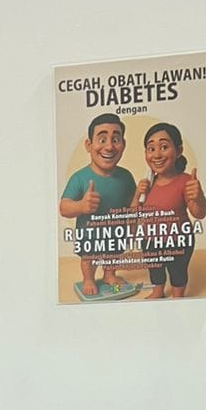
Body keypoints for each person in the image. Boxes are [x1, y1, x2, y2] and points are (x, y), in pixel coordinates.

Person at [59, 112, 136, 297]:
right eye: (102, 139)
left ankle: (110, 274)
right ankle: (88, 278)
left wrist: (134, 222)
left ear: (123, 144)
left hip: (116, 231)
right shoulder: (80, 178)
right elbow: (64, 207)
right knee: (89, 257)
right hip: (90, 233)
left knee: (114, 253)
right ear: (89, 145)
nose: (109, 146)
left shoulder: (126, 177)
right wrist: (81, 206)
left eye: (115, 139)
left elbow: (132, 204)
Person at [135, 122, 206, 300]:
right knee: (155, 270)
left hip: (178, 241)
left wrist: (198, 197)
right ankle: (158, 291)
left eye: (164, 147)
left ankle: (177, 296)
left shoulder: (186, 181)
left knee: (178, 271)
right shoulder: (147, 183)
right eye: (151, 149)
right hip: (150, 240)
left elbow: (199, 213)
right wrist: (138, 194)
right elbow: (133, 214)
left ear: (179, 150)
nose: (157, 154)